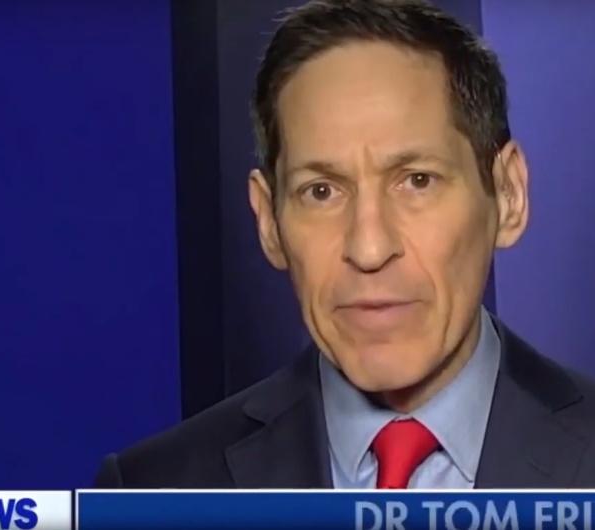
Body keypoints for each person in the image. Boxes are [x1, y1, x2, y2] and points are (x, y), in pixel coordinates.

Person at [94, 0, 595, 489]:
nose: (369, 249)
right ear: (268, 221)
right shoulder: (149, 493)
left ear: (507, 195)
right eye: (321, 191)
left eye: (417, 180)